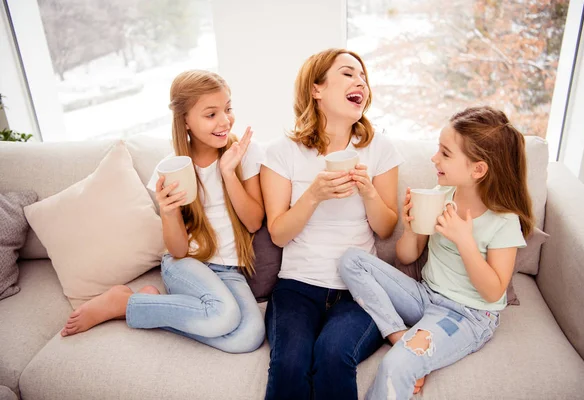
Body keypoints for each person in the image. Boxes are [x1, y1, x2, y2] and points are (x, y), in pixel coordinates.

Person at [61, 70, 266, 354]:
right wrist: (169, 213)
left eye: (228, 109)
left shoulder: (245, 154)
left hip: (229, 269)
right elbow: (179, 251)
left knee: (249, 337)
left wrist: (229, 174)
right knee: (224, 315)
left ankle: (140, 306)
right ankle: (122, 303)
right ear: (185, 121)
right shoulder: (170, 169)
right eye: (211, 114)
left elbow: (254, 223)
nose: (225, 121)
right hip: (186, 266)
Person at [340, 106, 534, 399]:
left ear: (478, 169)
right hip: (425, 295)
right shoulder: (440, 195)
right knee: (351, 260)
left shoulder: (503, 221)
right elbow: (407, 257)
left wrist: (465, 242)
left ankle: (410, 353)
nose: (434, 159)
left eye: (445, 153)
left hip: (468, 315)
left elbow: (494, 292)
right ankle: (396, 334)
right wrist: (411, 228)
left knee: (395, 367)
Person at [260, 48, 403, 399]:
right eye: (348, 73)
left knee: (333, 354)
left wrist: (369, 192)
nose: (361, 82)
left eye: (363, 77)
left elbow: (385, 228)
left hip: (360, 291)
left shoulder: (379, 149)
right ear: (316, 89)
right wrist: (313, 195)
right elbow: (278, 234)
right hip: (297, 288)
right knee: (290, 364)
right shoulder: (282, 153)